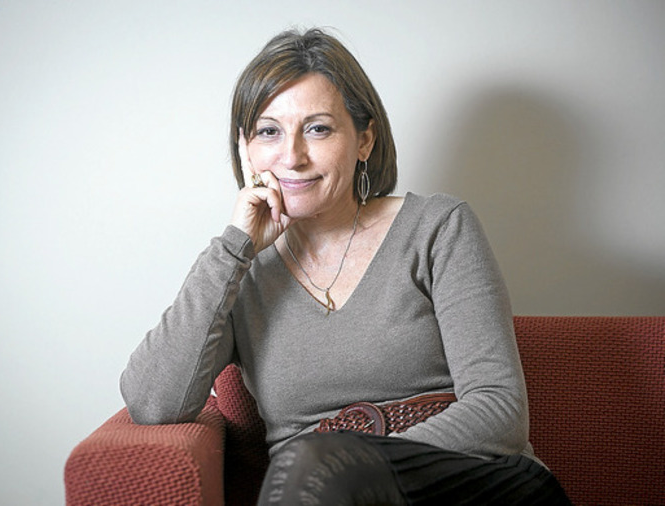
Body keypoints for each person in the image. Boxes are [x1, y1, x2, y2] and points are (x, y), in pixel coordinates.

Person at [120, 28, 571, 505]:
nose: (292, 157)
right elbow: (152, 403)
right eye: (269, 132)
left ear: (364, 140)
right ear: (244, 149)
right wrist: (234, 247)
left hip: (475, 482)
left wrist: (351, 464)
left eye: (318, 129)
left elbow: (499, 411)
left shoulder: (438, 227)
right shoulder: (239, 274)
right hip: (319, 492)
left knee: (315, 468)